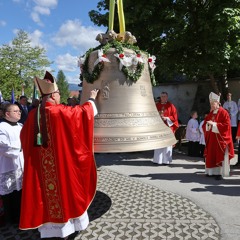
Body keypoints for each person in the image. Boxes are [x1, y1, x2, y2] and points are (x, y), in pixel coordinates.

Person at [19, 71, 99, 239]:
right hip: (62, 167)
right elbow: (83, 115)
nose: (59, 96)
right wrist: (91, 99)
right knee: (65, 194)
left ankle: (51, 231)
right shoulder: (58, 112)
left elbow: (24, 137)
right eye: (58, 93)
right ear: (54, 95)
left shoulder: (33, 114)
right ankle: (66, 231)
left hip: (39, 168)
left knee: (45, 196)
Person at [0, 103, 24, 224]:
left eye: (19, 110)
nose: (19, 112)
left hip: (20, 165)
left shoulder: (20, 125)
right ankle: (11, 219)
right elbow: (3, 147)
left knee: (20, 193)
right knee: (10, 195)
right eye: (15, 111)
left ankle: (20, 216)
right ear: (7, 114)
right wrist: (21, 148)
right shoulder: (1, 127)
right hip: (7, 166)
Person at [203, 92, 234, 180]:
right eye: (211, 104)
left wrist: (214, 124)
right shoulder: (211, 113)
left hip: (220, 139)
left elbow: (226, 126)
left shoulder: (224, 112)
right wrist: (208, 125)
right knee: (211, 154)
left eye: (213, 104)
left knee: (219, 154)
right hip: (211, 138)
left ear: (218, 103)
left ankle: (219, 173)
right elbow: (205, 124)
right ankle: (210, 172)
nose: (212, 106)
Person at [153, 92, 179, 164]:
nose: (163, 98)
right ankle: (158, 160)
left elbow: (175, 117)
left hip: (167, 127)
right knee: (159, 143)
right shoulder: (156, 105)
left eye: (164, 96)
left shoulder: (171, 106)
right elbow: (153, 116)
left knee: (167, 144)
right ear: (160, 97)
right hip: (159, 128)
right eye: (162, 96)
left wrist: (166, 118)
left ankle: (166, 161)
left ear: (167, 97)